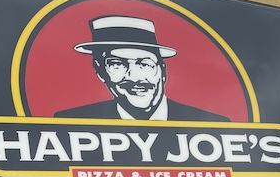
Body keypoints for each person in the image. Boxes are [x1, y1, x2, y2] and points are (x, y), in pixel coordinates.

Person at [55, 15, 229, 122]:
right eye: (117, 64)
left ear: (162, 70)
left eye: (144, 64)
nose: (134, 77)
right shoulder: (71, 122)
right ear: (100, 71)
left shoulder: (214, 126)